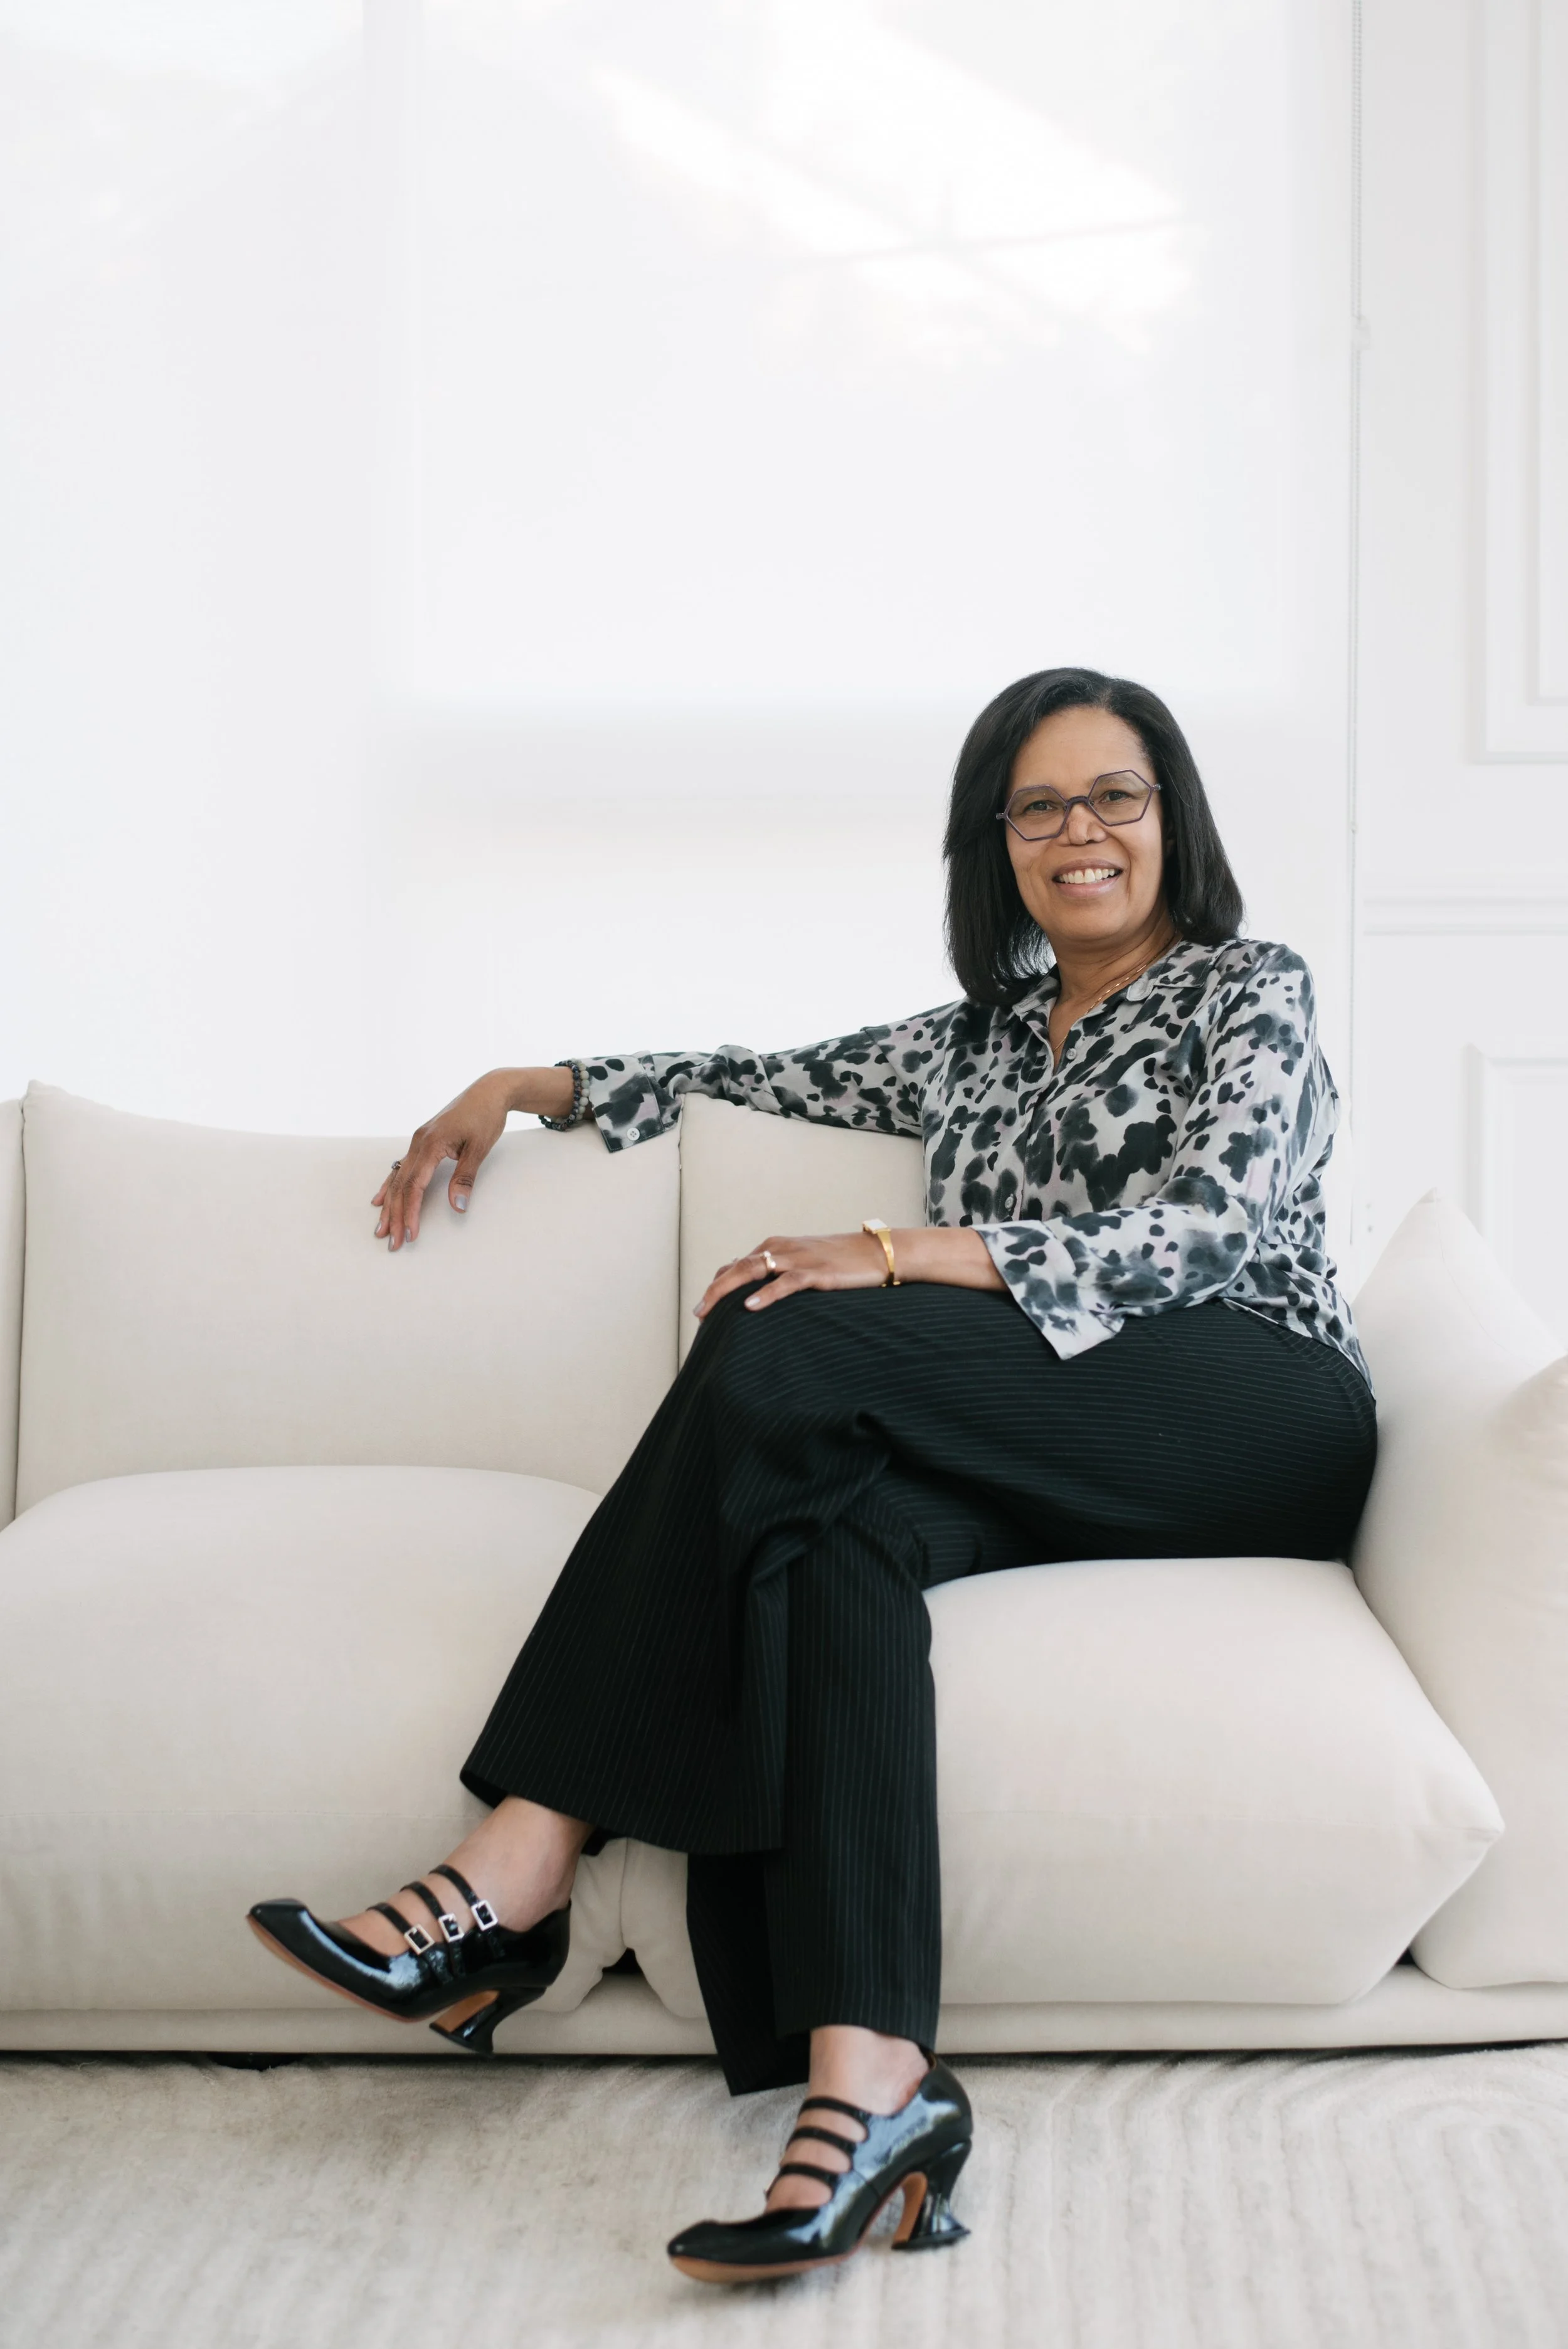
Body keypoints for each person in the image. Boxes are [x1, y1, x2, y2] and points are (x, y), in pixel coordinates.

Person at [249, 665, 1375, 2284]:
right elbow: (753, 1075)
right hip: (1049, 1437)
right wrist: (531, 1085)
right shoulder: (972, 1044)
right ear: (996, 846)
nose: (1080, 831)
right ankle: (875, 2088)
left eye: (1115, 795)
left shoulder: (1247, 990)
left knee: (782, 1325)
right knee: (830, 1534)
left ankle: (523, 1856)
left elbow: (1200, 1232)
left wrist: (893, 1252)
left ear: (1171, 816)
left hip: (1250, 1409)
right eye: (1038, 807)